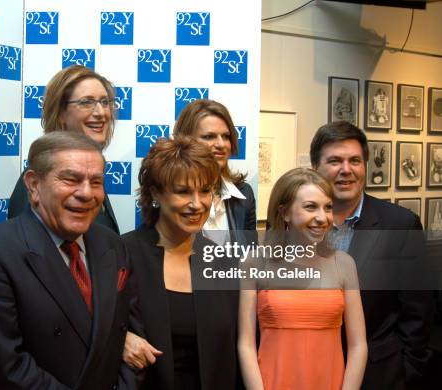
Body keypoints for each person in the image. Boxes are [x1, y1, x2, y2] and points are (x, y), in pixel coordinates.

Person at [0, 132, 133, 389]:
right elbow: (7, 365)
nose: (86, 193)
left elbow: (126, 339)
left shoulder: (113, 244)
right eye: (71, 179)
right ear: (33, 184)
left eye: (96, 182)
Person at [310, 121, 433, 389]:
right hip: (311, 372)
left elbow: (419, 314)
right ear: (314, 169)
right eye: (334, 161)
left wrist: (406, 372)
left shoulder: (400, 225)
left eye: (355, 160)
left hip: (379, 377)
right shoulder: (296, 226)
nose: (346, 170)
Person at [121, 137, 241, 389]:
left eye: (206, 190)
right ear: (155, 193)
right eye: (183, 191)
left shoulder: (225, 262)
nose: (197, 204)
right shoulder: (122, 254)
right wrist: (119, 340)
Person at [238, 167, 367, 390]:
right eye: (310, 207)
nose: (322, 217)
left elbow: (358, 346)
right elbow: (246, 345)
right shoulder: (254, 263)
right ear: (284, 212)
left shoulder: (344, 264)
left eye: (327, 207)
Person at [8, 65, 119, 233]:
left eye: (104, 102)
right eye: (86, 102)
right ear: (60, 113)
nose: (100, 112)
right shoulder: (38, 179)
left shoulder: (90, 171)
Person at [173, 99, 256, 243]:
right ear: (185, 141)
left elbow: (252, 252)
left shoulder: (244, 194)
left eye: (226, 136)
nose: (221, 144)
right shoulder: (171, 193)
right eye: (209, 136)